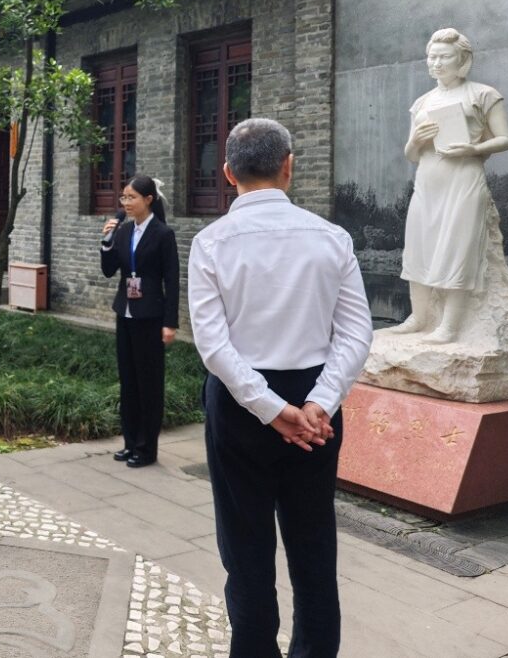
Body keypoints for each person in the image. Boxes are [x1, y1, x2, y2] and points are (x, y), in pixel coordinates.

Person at [188, 118, 372, 658]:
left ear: (228, 173)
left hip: (240, 403)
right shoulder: (331, 238)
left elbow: (213, 345)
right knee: (314, 545)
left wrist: (270, 408)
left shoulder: (211, 243)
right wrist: (319, 403)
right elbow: (356, 333)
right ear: (289, 166)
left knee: (245, 549)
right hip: (315, 408)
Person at [391, 27, 508, 343]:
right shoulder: (423, 102)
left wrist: (474, 148)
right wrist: (416, 140)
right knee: (418, 248)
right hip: (428, 182)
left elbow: (505, 138)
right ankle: (419, 317)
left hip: (464, 180)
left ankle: (450, 325)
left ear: (463, 59)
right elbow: (412, 155)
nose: (436, 63)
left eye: (444, 57)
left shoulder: (482, 94)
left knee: (457, 248)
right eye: (432, 57)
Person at [100, 174, 179, 467]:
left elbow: (172, 280)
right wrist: (106, 242)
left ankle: (147, 449)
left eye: (131, 197)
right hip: (125, 312)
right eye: (124, 197)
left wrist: (170, 322)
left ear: (148, 200)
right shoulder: (123, 232)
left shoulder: (162, 234)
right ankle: (130, 442)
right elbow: (109, 270)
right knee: (129, 382)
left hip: (151, 315)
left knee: (149, 384)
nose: (126, 202)